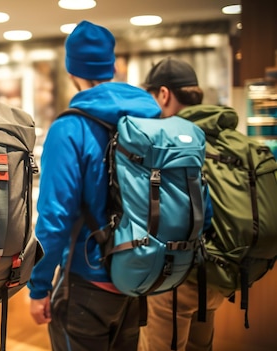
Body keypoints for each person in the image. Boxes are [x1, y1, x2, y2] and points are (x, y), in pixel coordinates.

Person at [27, 20, 163, 351]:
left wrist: (39, 287)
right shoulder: (153, 119)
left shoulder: (70, 127)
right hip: (141, 276)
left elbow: (55, 217)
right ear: (113, 65)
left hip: (87, 282)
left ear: (71, 69)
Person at [138, 57, 225, 351]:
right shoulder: (221, 130)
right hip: (217, 274)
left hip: (176, 276)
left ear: (164, 94)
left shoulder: (171, 139)